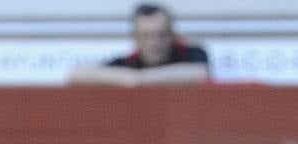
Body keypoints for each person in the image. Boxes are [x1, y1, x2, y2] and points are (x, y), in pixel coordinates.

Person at [67, 3, 210, 87]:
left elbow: (199, 72)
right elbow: (75, 76)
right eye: (146, 35)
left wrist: (139, 78)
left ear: (172, 34)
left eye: (161, 34)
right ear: (135, 37)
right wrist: (127, 78)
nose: (154, 43)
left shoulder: (192, 53)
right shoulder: (128, 62)